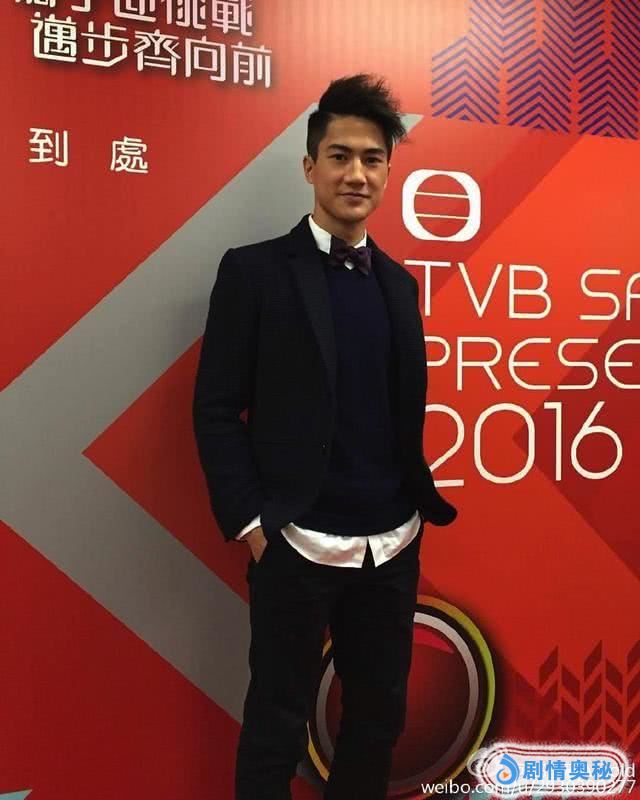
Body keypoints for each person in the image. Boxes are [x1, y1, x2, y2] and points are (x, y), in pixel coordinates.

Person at [192, 73, 457, 800]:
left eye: (372, 159)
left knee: (378, 720)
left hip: (391, 541)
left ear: (388, 173)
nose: (356, 174)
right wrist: (252, 524)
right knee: (276, 722)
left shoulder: (398, 284)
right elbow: (215, 407)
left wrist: (410, 513)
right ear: (310, 165)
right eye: (340, 156)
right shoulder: (254, 272)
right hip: (295, 541)